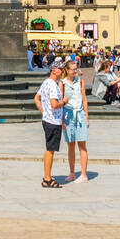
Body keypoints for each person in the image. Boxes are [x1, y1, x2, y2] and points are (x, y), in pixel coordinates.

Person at [34, 59, 67, 188]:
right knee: (50, 150)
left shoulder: (46, 83)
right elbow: (54, 105)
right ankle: (47, 178)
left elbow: (36, 98)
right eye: (61, 69)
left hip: (48, 120)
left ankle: (47, 177)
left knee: (50, 149)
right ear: (54, 70)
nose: (62, 71)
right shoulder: (53, 85)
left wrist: (43, 112)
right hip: (53, 121)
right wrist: (64, 102)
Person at [62, 55, 89, 183]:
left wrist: (87, 117)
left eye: (76, 69)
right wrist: (61, 119)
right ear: (67, 70)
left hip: (80, 114)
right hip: (68, 115)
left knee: (82, 145)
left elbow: (84, 99)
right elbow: (60, 101)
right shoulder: (62, 83)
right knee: (71, 145)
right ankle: (72, 172)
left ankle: (83, 174)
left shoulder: (81, 81)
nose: (75, 71)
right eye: (72, 69)